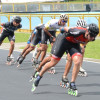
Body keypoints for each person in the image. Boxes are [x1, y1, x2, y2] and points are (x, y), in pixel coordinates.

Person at [31, 23, 99, 96]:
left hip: (74, 44)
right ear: (87, 32)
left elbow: (84, 42)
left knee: (77, 61)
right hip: (63, 40)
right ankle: (39, 76)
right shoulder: (77, 31)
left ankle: (72, 83)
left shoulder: (91, 38)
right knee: (53, 62)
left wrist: (82, 47)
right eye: (91, 36)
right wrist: (60, 33)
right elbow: (63, 29)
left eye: (94, 37)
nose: (92, 38)